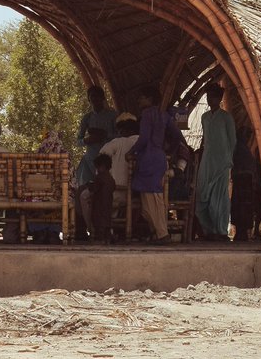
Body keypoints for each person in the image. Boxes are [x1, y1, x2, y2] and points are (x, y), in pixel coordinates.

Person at [128, 86, 184, 244]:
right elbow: (177, 136)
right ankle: (158, 232)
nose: (139, 100)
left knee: (153, 199)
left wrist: (131, 152)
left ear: (150, 99)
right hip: (159, 158)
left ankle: (162, 234)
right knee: (149, 202)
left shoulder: (146, 114)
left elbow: (144, 138)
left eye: (142, 97)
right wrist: (169, 151)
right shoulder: (164, 116)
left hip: (148, 159)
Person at [75, 85, 119, 240]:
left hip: (107, 162)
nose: (94, 100)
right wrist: (87, 139)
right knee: (84, 192)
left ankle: (105, 229)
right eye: (91, 97)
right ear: (89, 99)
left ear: (103, 98)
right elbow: (78, 141)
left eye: (97, 97)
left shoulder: (112, 115)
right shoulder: (87, 118)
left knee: (104, 193)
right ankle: (87, 228)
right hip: (90, 161)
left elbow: (119, 136)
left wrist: (105, 136)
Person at [195, 84, 236, 240]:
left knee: (219, 198)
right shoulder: (204, 117)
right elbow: (205, 138)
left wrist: (228, 158)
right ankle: (208, 230)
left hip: (222, 161)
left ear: (219, 99)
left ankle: (220, 231)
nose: (209, 99)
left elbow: (232, 140)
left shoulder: (226, 117)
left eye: (212, 97)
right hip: (207, 160)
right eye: (208, 97)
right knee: (202, 194)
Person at [98, 116, 139, 233]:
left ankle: (97, 230)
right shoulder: (144, 143)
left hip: (116, 192)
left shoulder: (118, 142)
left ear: (128, 132)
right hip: (137, 193)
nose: (119, 134)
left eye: (121, 132)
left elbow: (101, 155)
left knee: (85, 196)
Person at [90, 153, 117, 243]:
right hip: (108, 204)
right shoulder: (111, 179)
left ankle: (100, 237)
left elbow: (94, 189)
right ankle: (108, 236)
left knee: (98, 221)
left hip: (98, 204)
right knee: (107, 221)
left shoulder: (99, 178)